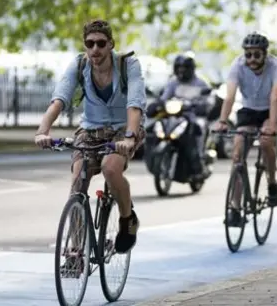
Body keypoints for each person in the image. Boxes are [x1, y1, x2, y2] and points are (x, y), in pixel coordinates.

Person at [34, 20, 146, 254]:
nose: (95, 49)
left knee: (110, 168)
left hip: (122, 129)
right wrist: (43, 131)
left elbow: (135, 104)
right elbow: (59, 99)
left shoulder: (128, 65)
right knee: (78, 182)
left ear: (111, 45)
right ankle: (76, 250)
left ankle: (128, 220)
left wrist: (129, 137)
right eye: (90, 43)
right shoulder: (79, 65)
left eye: (101, 44)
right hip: (90, 129)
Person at [213, 31, 277, 226]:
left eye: (257, 55)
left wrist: (272, 125)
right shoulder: (237, 65)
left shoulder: (276, 66)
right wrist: (222, 120)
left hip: (273, 109)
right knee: (238, 153)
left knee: (265, 142)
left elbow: (275, 97)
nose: (252, 59)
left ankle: (272, 183)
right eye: (248, 55)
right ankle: (236, 208)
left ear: (265, 54)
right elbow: (229, 96)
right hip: (249, 109)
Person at [156, 53, 212, 180]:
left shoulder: (201, 83)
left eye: (185, 67)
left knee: (198, 127)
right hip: (178, 116)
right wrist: (157, 104)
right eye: (179, 67)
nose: (182, 70)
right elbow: (165, 97)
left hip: (195, 115)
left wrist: (202, 106)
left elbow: (209, 100)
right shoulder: (173, 83)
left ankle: (199, 163)